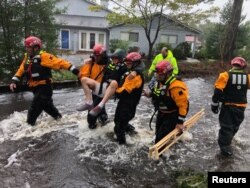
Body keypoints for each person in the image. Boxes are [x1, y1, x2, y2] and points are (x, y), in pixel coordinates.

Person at [9, 36, 79, 126]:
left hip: (45, 88)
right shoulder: (27, 58)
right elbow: (21, 70)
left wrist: (74, 70)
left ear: (36, 47)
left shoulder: (44, 57)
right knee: (48, 108)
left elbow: (59, 62)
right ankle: (60, 120)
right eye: (26, 47)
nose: (27, 49)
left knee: (33, 110)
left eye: (29, 47)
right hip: (35, 88)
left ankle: (28, 130)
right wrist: (14, 81)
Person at [211, 56, 250, 157]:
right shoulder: (248, 77)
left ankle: (225, 148)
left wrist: (214, 104)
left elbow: (218, 91)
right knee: (235, 126)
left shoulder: (224, 75)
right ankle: (228, 142)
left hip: (228, 106)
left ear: (232, 64)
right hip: (241, 107)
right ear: (243, 66)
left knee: (226, 126)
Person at [143, 60, 189, 144]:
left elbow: (183, 105)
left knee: (159, 141)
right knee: (158, 134)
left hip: (172, 115)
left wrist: (180, 122)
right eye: (156, 73)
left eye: (160, 74)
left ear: (168, 74)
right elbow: (158, 94)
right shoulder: (159, 82)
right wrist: (149, 94)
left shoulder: (176, 86)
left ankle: (160, 154)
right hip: (162, 112)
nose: (157, 75)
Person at [113, 52, 144, 144]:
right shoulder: (129, 71)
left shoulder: (136, 77)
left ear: (135, 63)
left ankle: (122, 146)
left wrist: (114, 91)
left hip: (129, 105)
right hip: (123, 103)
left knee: (119, 127)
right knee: (117, 121)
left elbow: (124, 92)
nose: (127, 64)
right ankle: (133, 133)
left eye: (129, 63)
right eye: (127, 63)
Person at [77, 44, 110, 129]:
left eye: (98, 56)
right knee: (101, 113)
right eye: (95, 55)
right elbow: (83, 76)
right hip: (95, 90)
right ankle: (105, 126)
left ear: (103, 54)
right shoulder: (91, 62)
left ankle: (93, 128)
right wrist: (85, 64)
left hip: (104, 91)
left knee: (91, 115)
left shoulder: (110, 63)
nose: (96, 57)